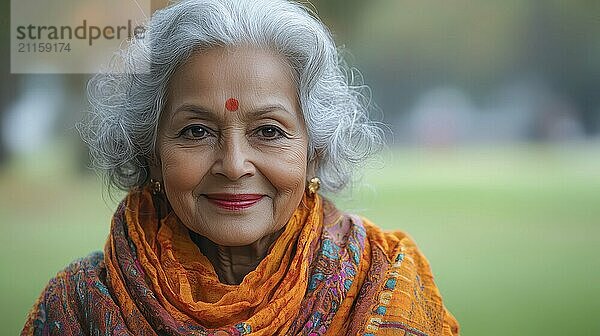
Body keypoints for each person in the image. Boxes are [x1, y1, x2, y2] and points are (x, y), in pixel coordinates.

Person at [22, 0, 459, 335]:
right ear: (150, 152)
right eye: (196, 132)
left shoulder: (382, 280)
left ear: (316, 149)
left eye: (268, 131)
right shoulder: (78, 307)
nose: (233, 165)